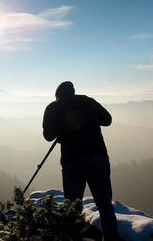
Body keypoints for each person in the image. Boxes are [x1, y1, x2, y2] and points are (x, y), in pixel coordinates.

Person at [42, 81, 118, 241]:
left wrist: (62, 126)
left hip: (73, 160)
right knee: (105, 205)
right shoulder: (87, 101)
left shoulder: (53, 107)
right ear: (73, 92)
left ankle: (75, 238)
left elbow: (48, 135)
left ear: (57, 96)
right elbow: (107, 119)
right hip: (98, 156)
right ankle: (111, 238)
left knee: (73, 208)